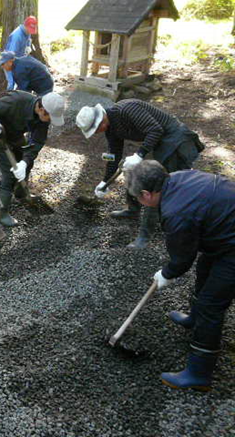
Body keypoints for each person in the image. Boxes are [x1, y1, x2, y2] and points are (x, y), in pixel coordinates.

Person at [125, 160, 235, 391]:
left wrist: (166, 273)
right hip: (224, 233)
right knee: (205, 270)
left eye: (137, 198)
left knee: (210, 305)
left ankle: (198, 375)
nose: (139, 202)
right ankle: (194, 320)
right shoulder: (177, 177)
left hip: (231, 244)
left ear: (146, 194)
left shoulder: (176, 212)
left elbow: (183, 258)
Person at [76, 99, 205, 249]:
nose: (97, 133)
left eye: (95, 129)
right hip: (158, 142)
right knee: (131, 170)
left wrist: (139, 155)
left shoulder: (127, 109)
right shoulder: (110, 127)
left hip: (176, 140)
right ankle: (133, 210)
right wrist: (105, 181)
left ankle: (145, 236)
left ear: (100, 120)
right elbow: (114, 154)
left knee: (153, 186)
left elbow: (155, 129)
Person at [0, 91, 65, 227]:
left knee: (27, 162)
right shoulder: (17, 100)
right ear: (42, 109)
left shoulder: (42, 119)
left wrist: (24, 162)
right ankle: (2, 214)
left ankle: (21, 194)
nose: (50, 121)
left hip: (16, 135)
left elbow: (36, 142)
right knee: (9, 173)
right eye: (49, 117)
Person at [3, 16, 38, 91]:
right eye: (29, 29)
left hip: (20, 59)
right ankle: (10, 98)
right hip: (9, 61)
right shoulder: (16, 36)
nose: (30, 32)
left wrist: (28, 47)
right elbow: (10, 54)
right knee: (12, 83)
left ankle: (24, 98)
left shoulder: (27, 32)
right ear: (25, 25)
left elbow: (28, 40)